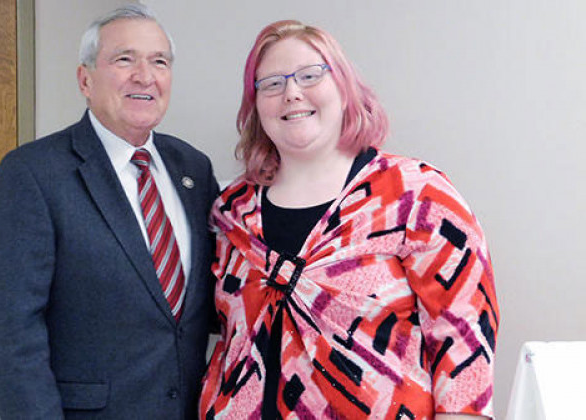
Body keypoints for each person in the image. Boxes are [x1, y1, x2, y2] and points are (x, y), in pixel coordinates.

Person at [199, 20, 499, 420]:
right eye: (271, 84)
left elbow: (465, 342)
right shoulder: (232, 212)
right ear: (256, 106)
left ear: (344, 88)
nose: (291, 92)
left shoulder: (416, 196)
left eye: (310, 75)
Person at [0, 5, 218, 419]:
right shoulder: (33, 173)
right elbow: (10, 335)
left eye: (158, 61)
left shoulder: (193, 169)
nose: (144, 75)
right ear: (85, 79)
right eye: (124, 59)